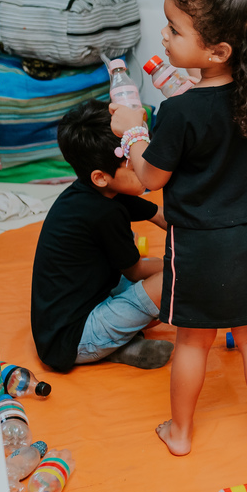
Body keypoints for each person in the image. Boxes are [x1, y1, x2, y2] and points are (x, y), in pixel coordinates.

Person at [110, 0, 247, 458]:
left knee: (193, 340)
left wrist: (131, 130)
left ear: (217, 51)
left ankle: (180, 433)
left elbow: (150, 178)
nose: (164, 36)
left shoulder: (179, 112)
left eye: (174, 30)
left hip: (199, 243)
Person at [30, 99, 173, 373]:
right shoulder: (103, 213)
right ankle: (106, 347)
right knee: (176, 278)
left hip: (80, 311)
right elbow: (136, 271)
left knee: (164, 294)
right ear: (100, 176)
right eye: (135, 167)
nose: (146, 168)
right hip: (73, 340)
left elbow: (158, 213)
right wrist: (189, 260)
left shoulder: (96, 190)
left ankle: (119, 345)